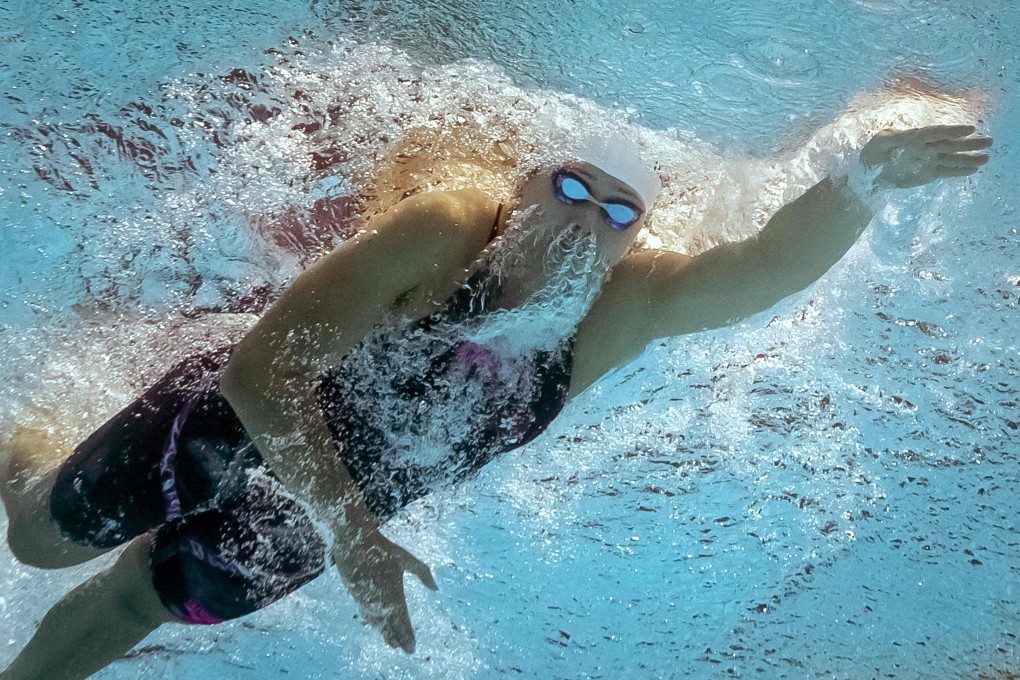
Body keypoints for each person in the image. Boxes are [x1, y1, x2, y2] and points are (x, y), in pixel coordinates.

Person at [0, 120, 991, 679]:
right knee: (40, 539)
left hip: (326, 518)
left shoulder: (616, 307)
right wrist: (351, 533)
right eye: (569, 185)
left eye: (615, 212)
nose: (582, 219)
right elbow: (262, 374)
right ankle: (20, 451)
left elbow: (759, 268)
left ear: (629, 239)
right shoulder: (448, 229)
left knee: (137, 602)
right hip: (233, 427)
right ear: (522, 186)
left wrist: (861, 181)